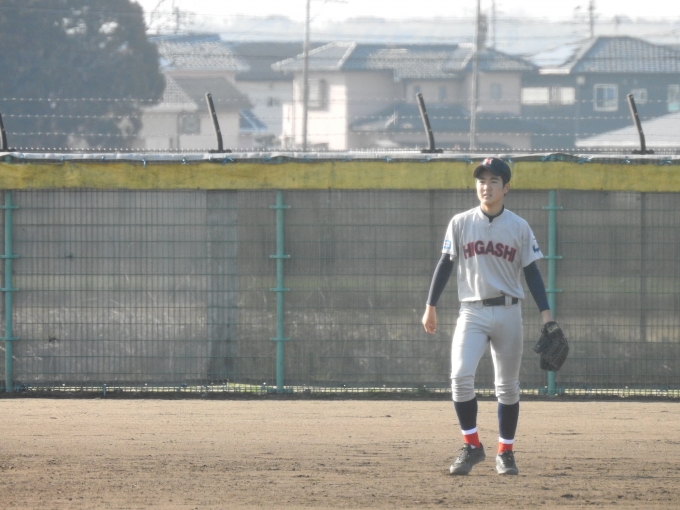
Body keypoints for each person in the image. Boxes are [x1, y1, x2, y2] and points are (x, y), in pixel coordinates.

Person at [422, 157, 557, 476]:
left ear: (506, 187)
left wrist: (547, 316)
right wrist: (430, 305)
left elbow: (532, 273)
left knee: (507, 387)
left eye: (494, 181)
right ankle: (472, 446)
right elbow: (445, 263)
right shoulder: (460, 222)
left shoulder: (519, 226)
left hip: (509, 311)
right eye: (481, 180)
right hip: (472, 311)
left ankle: (505, 452)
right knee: (460, 377)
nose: (486, 186)